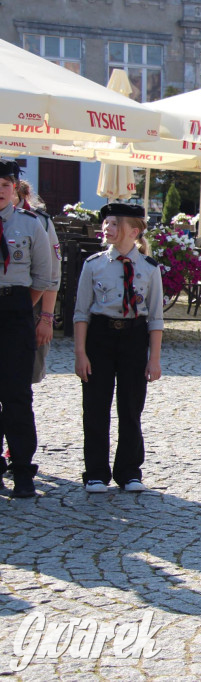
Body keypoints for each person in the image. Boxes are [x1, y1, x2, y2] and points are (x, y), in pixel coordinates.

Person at [73, 203, 163, 494]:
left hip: (133, 338)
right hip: (100, 336)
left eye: (114, 224)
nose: (107, 229)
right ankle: (96, 472)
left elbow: (156, 318)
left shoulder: (149, 269)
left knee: (131, 406)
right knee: (96, 405)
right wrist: (80, 353)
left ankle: (129, 471)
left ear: (133, 231)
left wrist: (155, 359)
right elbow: (81, 313)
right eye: (106, 223)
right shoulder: (94, 264)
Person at [0, 159, 56, 497]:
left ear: (14, 190)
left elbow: (44, 277)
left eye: (4, 186)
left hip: (15, 311)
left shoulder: (31, 224)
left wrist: (21, 305)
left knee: (17, 394)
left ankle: (22, 468)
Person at [15, 180, 61, 385]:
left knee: (26, 374)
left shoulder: (39, 221)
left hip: (32, 306)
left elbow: (52, 274)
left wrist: (46, 319)